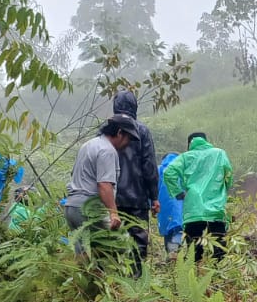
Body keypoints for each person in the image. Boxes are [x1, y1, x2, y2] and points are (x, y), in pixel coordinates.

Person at [63, 116, 138, 263]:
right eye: (128, 138)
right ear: (119, 133)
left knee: (86, 255)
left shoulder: (88, 145)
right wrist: (113, 213)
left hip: (71, 208)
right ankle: (121, 283)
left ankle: (84, 282)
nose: (128, 143)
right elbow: (104, 184)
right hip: (89, 210)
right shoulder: (107, 151)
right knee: (123, 245)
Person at [162, 132, 233, 261]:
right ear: (206, 141)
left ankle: (193, 276)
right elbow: (228, 176)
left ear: (189, 144)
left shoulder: (185, 157)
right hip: (216, 209)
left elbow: (168, 172)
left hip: (193, 209)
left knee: (193, 251)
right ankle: (218, 275)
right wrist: (222, 191)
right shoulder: (219, 153)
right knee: (219, 248)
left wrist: (177, 192)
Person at [111, 89, 158, 272]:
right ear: (134, 106)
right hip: (137, 198)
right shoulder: (142, 131)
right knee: (138, 242)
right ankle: (136, 283)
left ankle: (115, 281)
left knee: (112, 241)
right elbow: (149, 166)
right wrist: (154, 196)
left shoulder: (106, 130)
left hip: (110, 198)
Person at [156, 151, 184, 256]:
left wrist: (151, 205)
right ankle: (175, 252)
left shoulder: (159, 170)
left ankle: (171, 253)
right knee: (178, 228)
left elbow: (153, 188)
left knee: (168, 230)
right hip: (181, 206)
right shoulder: (183, 170)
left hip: (163, 207)